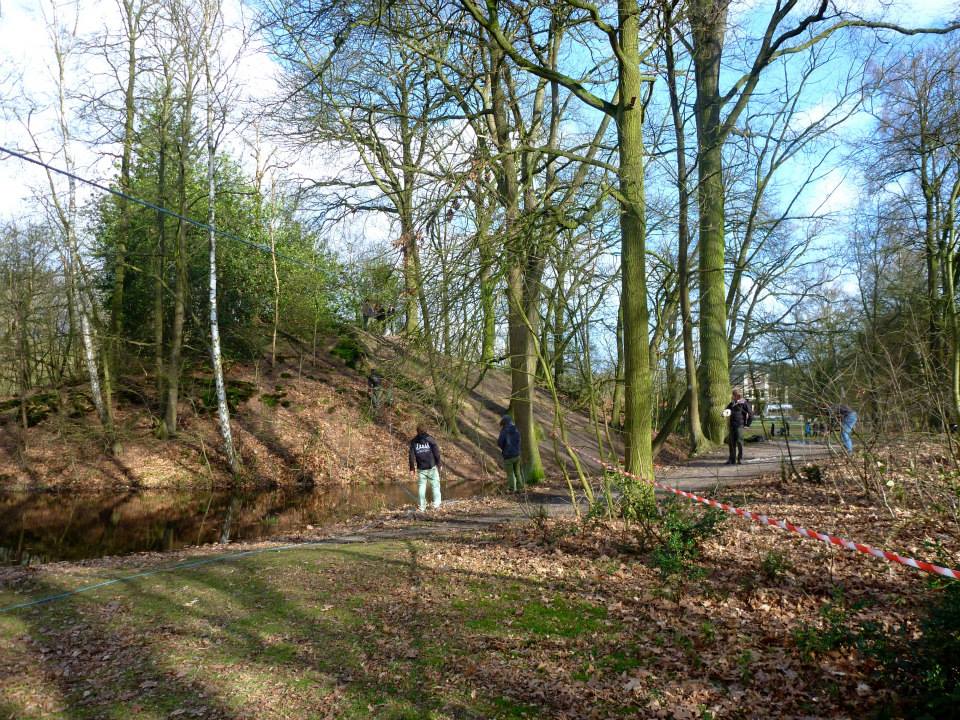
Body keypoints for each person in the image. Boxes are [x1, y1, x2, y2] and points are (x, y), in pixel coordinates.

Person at [408, 423, 442, 511]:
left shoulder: (413, 441)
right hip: (431, 467)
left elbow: (411, 456)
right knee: (435, 486)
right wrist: (439, 463)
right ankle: (436, 505)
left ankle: (422, 507)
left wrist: (412, 468)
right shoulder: (430, 439)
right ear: (426, 430)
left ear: (417, 431)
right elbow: (436, 452)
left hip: (421, 468)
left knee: (421, 487)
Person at [724, 390, 753, 465]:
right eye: (733, 395)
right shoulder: (732, 403)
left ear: (738, 396)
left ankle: (740, 459)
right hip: (732, 425)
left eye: (734, 395)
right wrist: (724, 413)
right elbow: (726, 411)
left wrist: (747, 425)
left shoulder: (744, 403)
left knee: (739, 442)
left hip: (739, 425)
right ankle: (732, 459)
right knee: (731, 443)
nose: (732, 396)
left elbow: (750, 414)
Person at [497, 414, 523, 492]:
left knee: (510, 473)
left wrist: (504, 449)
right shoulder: (516, 429)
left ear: (504, 423)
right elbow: (519, 440)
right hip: (517, 454)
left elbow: (500, 443)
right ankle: (520, 488)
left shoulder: (504, 431)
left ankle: (512, 489)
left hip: (508, 456)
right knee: (517, 472)